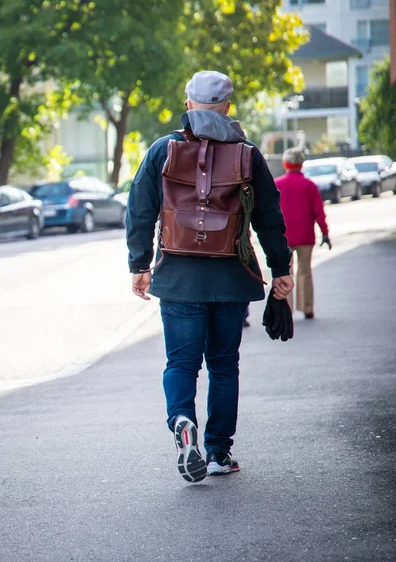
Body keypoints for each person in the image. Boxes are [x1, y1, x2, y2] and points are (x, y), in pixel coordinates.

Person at [125, 70, 294, 483]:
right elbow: (270, 218)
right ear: (228, 108)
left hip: (178, 276)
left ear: (188, 105)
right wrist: (281, 270)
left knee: (181, 362)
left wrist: (140, 264)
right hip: (231, 277)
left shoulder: (161, 150)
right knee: (223, 365)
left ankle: (183, 420)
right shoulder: (248, 154)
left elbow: (139, 210)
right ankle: (219, 451)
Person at [274, 148, 331, 320]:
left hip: (282, 237)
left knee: (285, 272)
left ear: (285, 164)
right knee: (305, 271)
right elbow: (319, 212)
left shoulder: (276, 185)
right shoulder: (309, 185)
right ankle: (307, 307)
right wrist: (325, 233)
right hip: (306, 236)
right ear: (301, 164)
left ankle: (287, 308)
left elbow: (269, 212)